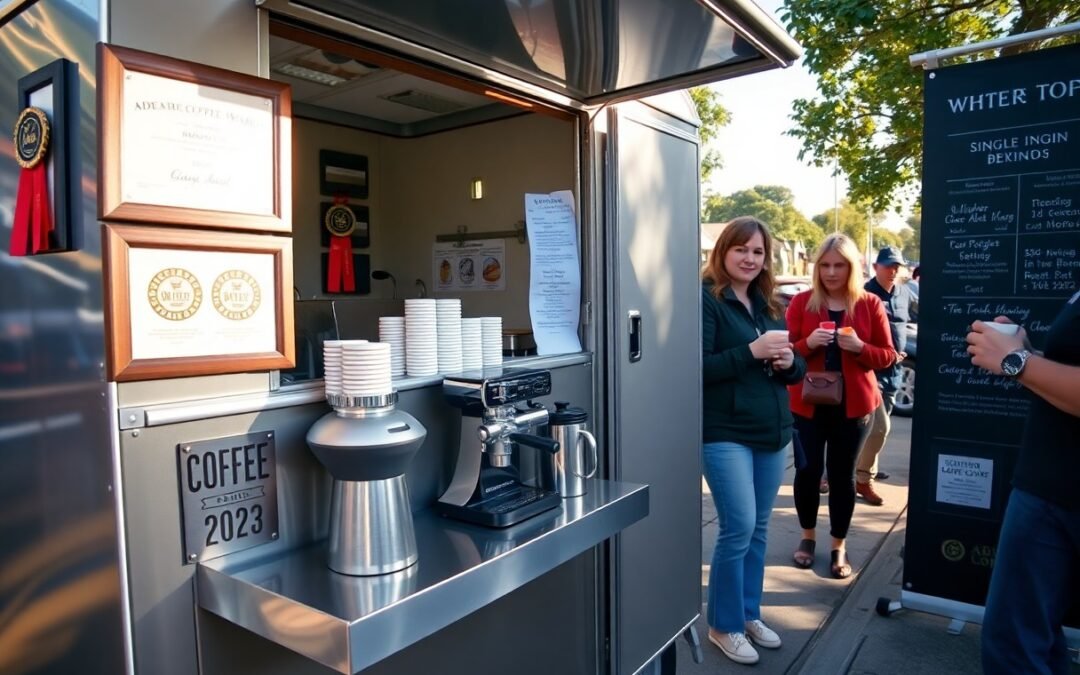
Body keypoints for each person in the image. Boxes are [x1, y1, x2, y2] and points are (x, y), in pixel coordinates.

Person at [701, 217, 806, 665]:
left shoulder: (769, 303)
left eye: (758, 252)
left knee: (759, 529)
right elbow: (696, 368)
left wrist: (787, 362)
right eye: (741, 248)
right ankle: (722, 625)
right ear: (723, 251)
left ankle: (748, 614)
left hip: (772, 430)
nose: (749, 258)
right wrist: (751, 352)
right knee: (738, 526)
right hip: (724, 432)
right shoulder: (707, 300)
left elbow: (799, 370)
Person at [966, 299, 1080, 675]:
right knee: (1026, 640)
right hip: (1045, 485)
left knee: (1017, 646)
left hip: (1056, 494)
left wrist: (1018, 362)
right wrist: (1025, 355)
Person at [785, 234, 896, 578]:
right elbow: (784, 355)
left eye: (839, 265)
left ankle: (838, 545)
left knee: (842, 477)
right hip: (807, 405)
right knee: (806, 472)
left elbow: (889, 357)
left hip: (854, 408)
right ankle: (807, 538)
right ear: (816, 267)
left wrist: (860, 346)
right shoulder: (802, 303)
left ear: (852, 267)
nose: (831, 272)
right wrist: (807, 343)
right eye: (825, 265)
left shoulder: (869, 304)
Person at [853, 246, 913, 505]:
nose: (893, 270)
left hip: (894, 372)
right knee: (879, 427)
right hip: (869, 370)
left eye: (897, 266)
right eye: (888, 265)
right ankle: (862, 479)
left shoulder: (904, 293)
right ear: (876, 266)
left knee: (876, 428)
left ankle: (865, 473)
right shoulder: (863, 295)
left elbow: (908, 322)